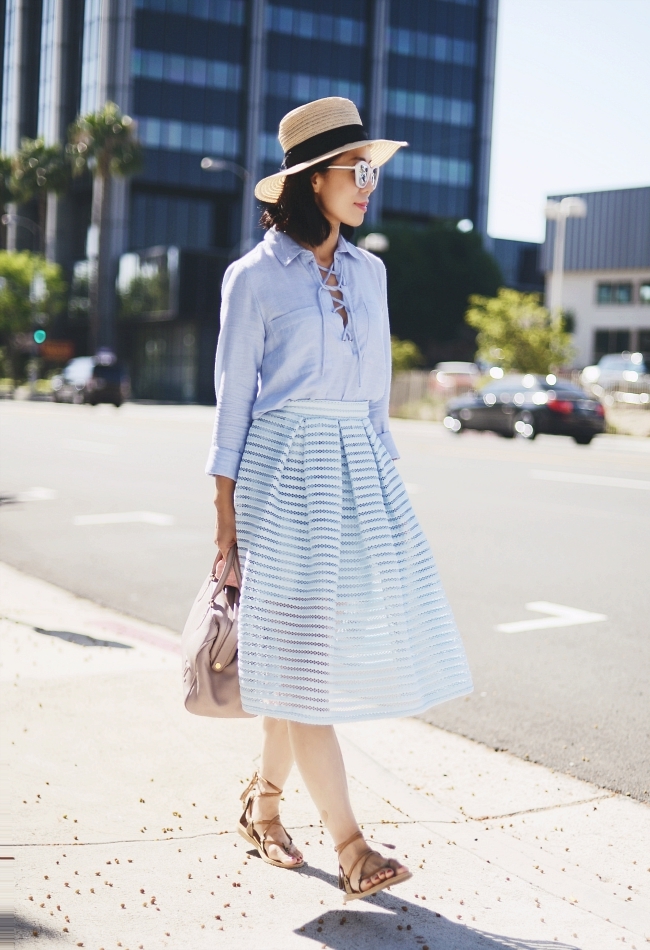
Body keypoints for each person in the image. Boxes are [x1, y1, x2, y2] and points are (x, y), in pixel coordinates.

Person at [206, 97, 472, 902]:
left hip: (355, 472)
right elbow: (232, 405)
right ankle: (353, 848)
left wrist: (387, 487)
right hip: (281, 477)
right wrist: (225, 522)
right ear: (309, 181)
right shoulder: (251, 279)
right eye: (355, 172)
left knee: (301, 662)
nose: (368, 185)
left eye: (371, 172)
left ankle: (262, 804)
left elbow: (376, 395)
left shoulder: (371, 270)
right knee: (305, 664)